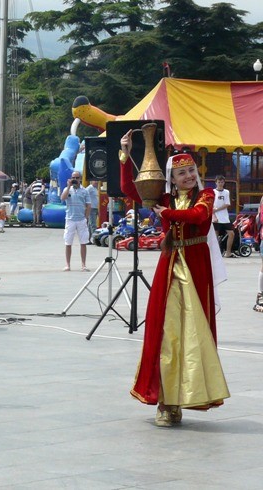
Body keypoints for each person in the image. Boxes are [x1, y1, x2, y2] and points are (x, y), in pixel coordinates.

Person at [120, 131, 229, 427]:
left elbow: (198, 217)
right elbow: (131, 191)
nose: (189, 176)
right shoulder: (164, 197)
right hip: (169, 267)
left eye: (191, 171)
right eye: (182, 173)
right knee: (167, 333)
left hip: (195, 267)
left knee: (194, 334)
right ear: (172, 177)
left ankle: (188, 396)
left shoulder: (206, 196)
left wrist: (167, 212)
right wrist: (124, 155)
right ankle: (166, 403)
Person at [61, 170, 91, 272]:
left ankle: (83, 265)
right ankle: (67, 265)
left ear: (80, 179)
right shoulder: (67, 189)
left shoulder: (85, 191)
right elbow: (62, 198)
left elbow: (89, 205)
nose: (75, 180)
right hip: (70, 219)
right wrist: (69, 186)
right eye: (73, 178)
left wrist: (85, 218)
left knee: (83, 242)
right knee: (68, 242)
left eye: (77, 178)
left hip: (81, 219)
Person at [212, 175, 234, 258]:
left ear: (224, 183)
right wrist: (213, 213)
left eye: (222, 182)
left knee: (231, 234)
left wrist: (217, 209)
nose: (220, 184)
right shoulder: (212, 191)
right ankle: (215, 254)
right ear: (216, 183)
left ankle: (228, 252)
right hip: (215, 217)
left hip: (224, 217)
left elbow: (227, 204)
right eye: (219, 182)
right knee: (215, 235)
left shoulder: (226, 192)